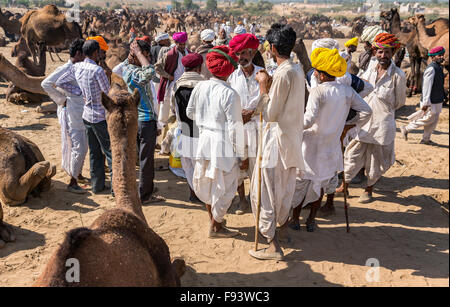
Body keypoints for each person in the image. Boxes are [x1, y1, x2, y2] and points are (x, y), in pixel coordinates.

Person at [289, 47, 372, 231]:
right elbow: (367, 111)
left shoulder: (318, 92)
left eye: (317, 70)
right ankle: (311, 220)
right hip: (331, 145)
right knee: (320, 183)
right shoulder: (347, 91)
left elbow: (309, 120)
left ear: (320, 73)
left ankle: (295, 219)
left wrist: (291, 124)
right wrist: (349, 125)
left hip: (311, 144)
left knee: (301, 183)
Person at [249, 24, 305, 260]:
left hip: (276, 142)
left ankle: (273, 246)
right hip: (290, 141)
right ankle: (279, 231)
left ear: (271, 48)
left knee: (266, 192)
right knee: (282, 191)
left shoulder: (283, 73)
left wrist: (263, 84)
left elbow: (271, 114)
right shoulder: (297, 70)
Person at [337, 33, 406, 204]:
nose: (383, 56)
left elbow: (399, 102)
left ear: (393, 53)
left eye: (387, 52)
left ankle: (368, 189)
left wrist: (381, 109)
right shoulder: (371, 67)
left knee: (376, 160)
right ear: (375, 52)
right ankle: (344, 185)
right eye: (380, 52)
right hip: (363, 121)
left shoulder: (398, 75)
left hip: (382, 124)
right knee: (352, 154)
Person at [186, 46, 245, 239]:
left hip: (204, 141)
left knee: (208, 182)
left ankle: (214, 219)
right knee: (226, 186)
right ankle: (216, 226)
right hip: (223, 145)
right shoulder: (230, 94)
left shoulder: (200, 86)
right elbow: (235, 129)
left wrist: (206, 119)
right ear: (230, 69)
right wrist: (242, 155)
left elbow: (189, 113)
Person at [56, 39, 113, 195]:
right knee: (110, 153)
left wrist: (78, 92)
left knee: (94, 152)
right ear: (95, 53)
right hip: (100, 116)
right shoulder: (98, 71)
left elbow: (60, 82)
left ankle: (97, 186)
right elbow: (107, 93)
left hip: (86, 115)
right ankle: (116, 189)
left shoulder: (77, 67)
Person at [41, 39, 89, 194]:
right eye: (84, 53)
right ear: (78, 53)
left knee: (82, 144)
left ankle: (78, 174)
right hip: (70, 112)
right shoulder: (66, 69)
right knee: (78, 146)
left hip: (78, 111)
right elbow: (46, 84)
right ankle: (72, 182)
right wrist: (62, 101)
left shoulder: (79, 68)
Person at [122, 39, 164, 205]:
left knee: (139, 157)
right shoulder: (135, 73)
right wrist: (139, 54)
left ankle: (143, 188)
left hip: (136, 119)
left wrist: (135, 52)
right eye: (147, 56)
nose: (148, 59)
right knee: (146, 160)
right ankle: (145, 195)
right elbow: (149, 73)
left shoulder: (127, 67)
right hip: (145, 121)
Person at [228, 33, 263, 215]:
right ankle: (242, 200)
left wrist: (253, 113)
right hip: (238, 128)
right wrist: (238, 114)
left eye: (245, 53)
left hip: (257, 127)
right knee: (238, 166)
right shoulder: (232, 77)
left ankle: (254, 197)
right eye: (239, 54)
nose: (242, 58)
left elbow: (268, 100)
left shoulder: (263, 74)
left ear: (253, 52)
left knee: (257, 166)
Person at [171, 53, 205, 203]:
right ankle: (204, 195)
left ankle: (193, 194)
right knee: (201, 165)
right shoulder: (204, 86)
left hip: (184, 130)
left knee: (189, 167)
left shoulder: (176, 86)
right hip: (201, 132)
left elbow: (174, 109)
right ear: (199, 68)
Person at [401, 46, 446, 145]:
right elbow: (426, 87)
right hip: (430, 101)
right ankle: (406, 128)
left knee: (434, 121)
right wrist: (426, 102)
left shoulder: (438, 68)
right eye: (439, 55)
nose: (441, 57)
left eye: (442, 55)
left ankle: (426, 139)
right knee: (428, 119)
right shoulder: (431, 69)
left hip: (438, 99)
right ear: (433, 57)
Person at [155, 32, 189, 133]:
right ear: (175, 42)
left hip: (186, 85)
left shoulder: (188, 52)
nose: (182, 46)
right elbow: (157, 67)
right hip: (173, 86)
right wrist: (168, 76)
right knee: (167, 113)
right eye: (180, 44)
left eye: (184, 44)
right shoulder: (170, 55)